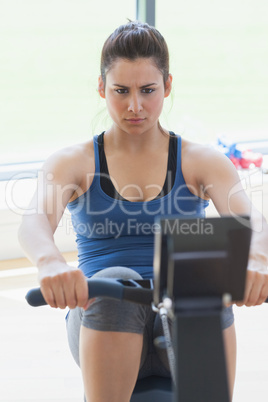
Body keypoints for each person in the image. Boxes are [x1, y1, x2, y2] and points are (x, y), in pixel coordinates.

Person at [18, 21, 268, 402]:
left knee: (197, 281)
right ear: (102, 87)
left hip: (184, 313)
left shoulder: (201, 161)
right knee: (116, 281)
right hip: (105, 312)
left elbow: (253, 220)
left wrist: (259, 258)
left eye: (148, 90)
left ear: (167, 86)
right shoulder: (74, 162)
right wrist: (50, 262)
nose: (135, 105)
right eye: (121, 91)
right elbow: (33, 220)